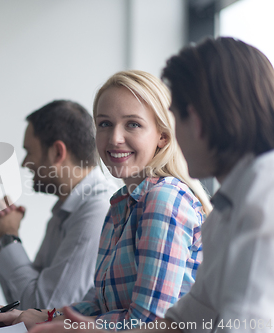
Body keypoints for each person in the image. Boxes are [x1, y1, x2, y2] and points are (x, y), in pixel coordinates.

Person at [29, 37, 274, 333]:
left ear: (197, 121)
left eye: (178, 116)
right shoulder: (226, 209)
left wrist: (78, 328)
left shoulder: (259, 203)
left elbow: (234, 326)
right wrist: (46, 319)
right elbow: (179, 323)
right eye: (104, 124)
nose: (176, 134)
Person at [0, 70, 212, 330]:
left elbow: (148, 323)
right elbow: (98, 306)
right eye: (104, 124)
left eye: (132, 124)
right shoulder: (121, 204)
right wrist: (31, 315)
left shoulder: (163, 199)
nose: (114, 138)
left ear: (163, 136)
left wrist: (62, 325)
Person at [0, 100, 120, 309]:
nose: (24, 162)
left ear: (57, 152)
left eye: (29, 151)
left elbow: (45, 310)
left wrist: (8, 238)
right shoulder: (64, 212)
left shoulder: (97, 211)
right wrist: (0, 239)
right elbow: (18, 303)